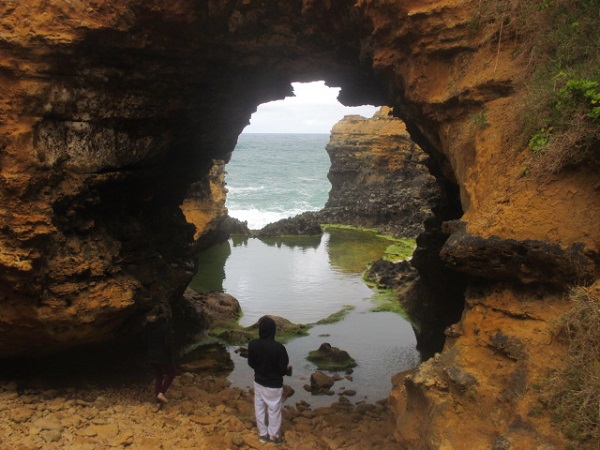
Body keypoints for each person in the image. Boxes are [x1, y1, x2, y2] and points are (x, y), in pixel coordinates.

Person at [248, 315, 292, 445]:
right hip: (274, 385)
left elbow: (251, 363)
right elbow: (282, 369)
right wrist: (287, 371)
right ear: (273, 331)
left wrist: (260, 369)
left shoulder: (252, 344)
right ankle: (274, 436)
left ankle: (263, 435)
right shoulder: (279, 348)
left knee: (259, 408)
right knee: (274, 410)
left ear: (260, 330)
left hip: (259, 382)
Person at [145, 303, 176, 405]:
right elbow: (167, 343)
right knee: (171, 373)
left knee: (159, 377)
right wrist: (170, 354)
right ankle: (161, 394)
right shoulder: (165, 326)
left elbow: (144, 340)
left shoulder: (148, 326)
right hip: (162, 355)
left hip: (151, 355)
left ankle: (158, 402)